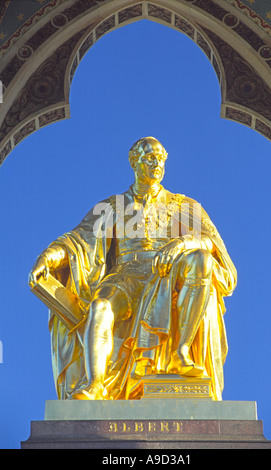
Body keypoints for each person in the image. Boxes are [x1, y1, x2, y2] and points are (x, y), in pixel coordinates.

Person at [29, 137, 237, 401]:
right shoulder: (112, 206)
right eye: (150, 157)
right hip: (125, 277)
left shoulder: (185, 206)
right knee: (100, 307)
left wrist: (184, 242)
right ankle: (95, 384)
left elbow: (213, 244)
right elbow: (78, 240)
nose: (157, 163)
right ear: (134, 162)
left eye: (161, 158)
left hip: (168, 274)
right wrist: (48, 257)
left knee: (202, 260)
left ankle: (180, 353)